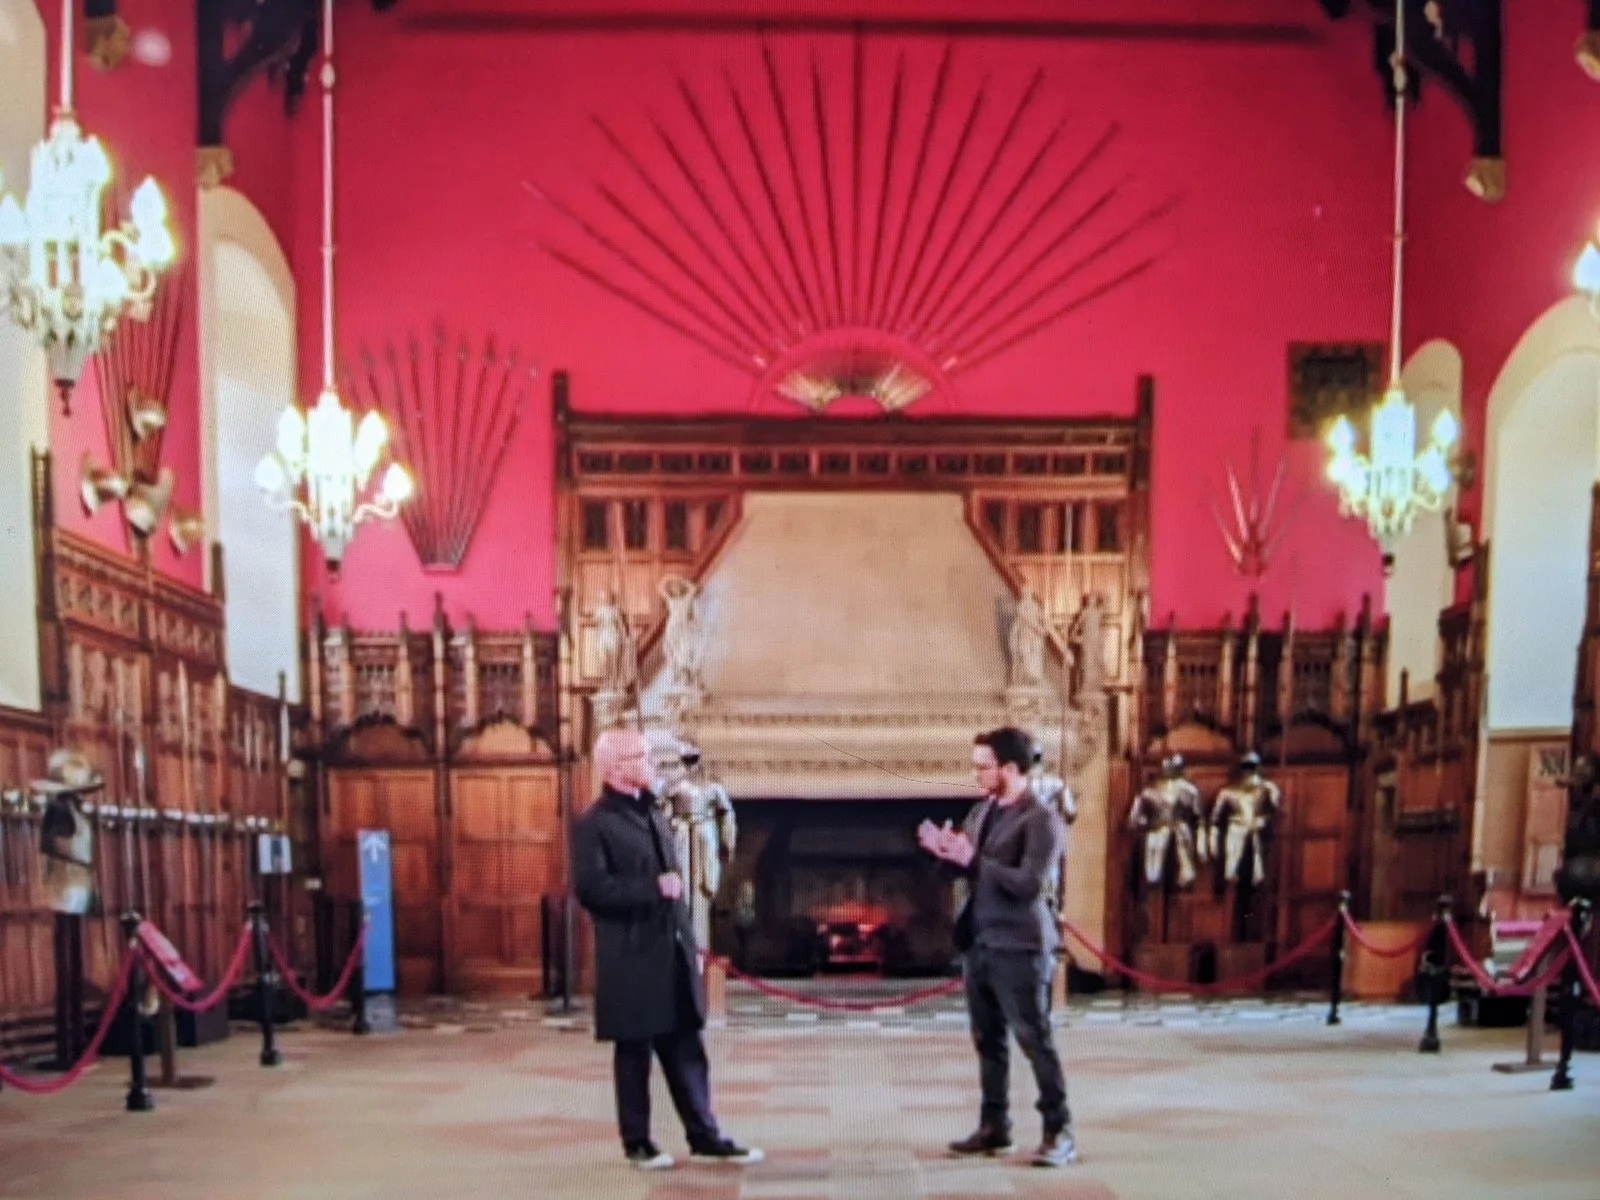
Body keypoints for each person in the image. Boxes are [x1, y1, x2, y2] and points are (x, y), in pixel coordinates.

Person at [571, 728, 764, 1172]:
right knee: (635, 1053)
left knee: (686, 1048)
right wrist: (650, 888)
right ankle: (638, 1143)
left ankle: (705, 1136)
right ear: (617, 768)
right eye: (643, 756)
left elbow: (677, 888)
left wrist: (691, 943)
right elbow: (591, 889)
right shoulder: (595, 823)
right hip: (631, 958)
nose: (653, 762)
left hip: (672, 952)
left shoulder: (654, 813)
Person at [918, 726, 1077, 1168]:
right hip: (981, 942)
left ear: (1010, 768)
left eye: (983, 766)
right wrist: (941, 852)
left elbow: (1027, 885)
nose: (976, 774)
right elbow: (965, 871)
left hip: (1021, 943)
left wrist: (972, 861)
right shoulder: (981, 811)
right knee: (988, 1041)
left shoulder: (1041, 819)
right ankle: (994, 1127)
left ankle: (1058, 1130)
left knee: (1034, 1038)